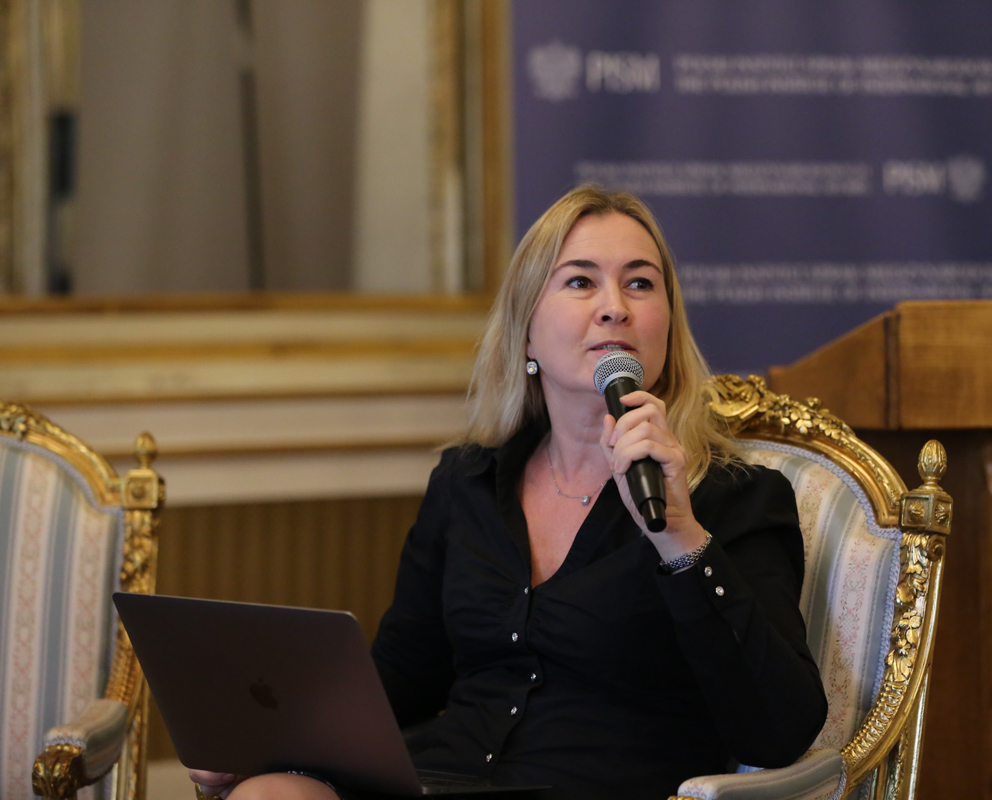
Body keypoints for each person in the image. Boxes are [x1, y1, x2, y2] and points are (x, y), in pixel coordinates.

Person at [191, 186, 827, 800]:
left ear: (667, 325)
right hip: (445, 776)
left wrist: (679, 538)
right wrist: (268, 743)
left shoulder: (736, 498)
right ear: (526, 333)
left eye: (640, 283)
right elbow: (403, 679)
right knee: (268, 792)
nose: (615, 307)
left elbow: (778, 730)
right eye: (580, 282)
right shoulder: (465, 482)